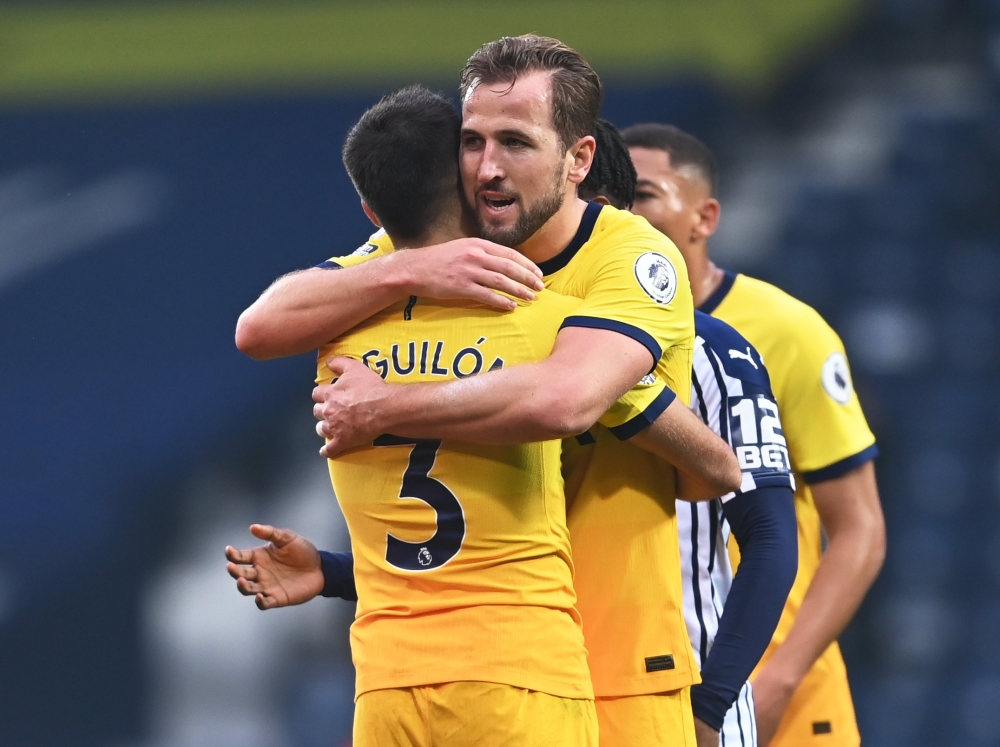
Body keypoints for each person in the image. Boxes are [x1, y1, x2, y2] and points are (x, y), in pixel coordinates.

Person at [231, 85, 601, 747]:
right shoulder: (542, 309)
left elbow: (255, 327)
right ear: (473, 184)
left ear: (372, 209)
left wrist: (402, 269)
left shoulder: (337, 329)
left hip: (388, 688)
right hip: (519, 674)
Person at [622, 123, 886, 747]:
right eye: (611, 195)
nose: (623, 213)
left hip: (777, 684)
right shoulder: (592, 337)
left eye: (644, 194)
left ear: (705, 215)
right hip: (657, 673)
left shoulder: (786, 330)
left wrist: (782, 677)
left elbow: (861, 530)